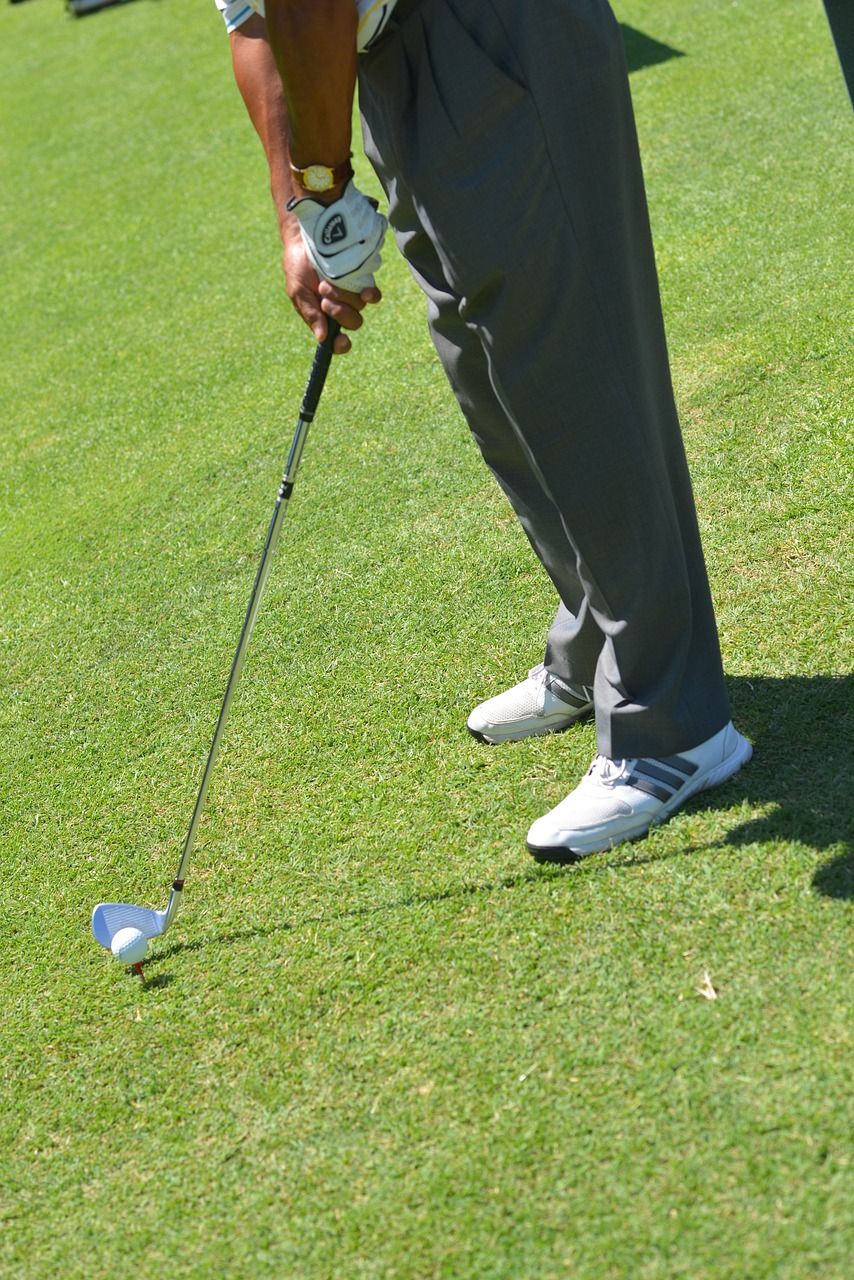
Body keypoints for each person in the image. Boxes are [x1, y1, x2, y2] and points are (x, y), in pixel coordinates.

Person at [215, 0, 751, 860]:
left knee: (564, 352)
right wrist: (300, 217)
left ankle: (672, 722)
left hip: (489, 25)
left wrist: (320, 187)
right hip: (389, 54)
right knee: (481, 351)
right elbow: (255, 21)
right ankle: (602, 634)